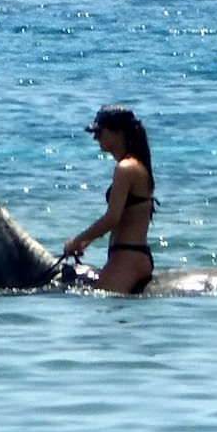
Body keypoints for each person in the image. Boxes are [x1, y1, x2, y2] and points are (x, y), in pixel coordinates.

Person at [64, 104, 157, 294]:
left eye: (100, 132)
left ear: (118, 132)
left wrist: (77, 241)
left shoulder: (126, 168)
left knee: (103, 306)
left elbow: (112, 218)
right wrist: (86, 242)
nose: (95, 137)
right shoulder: (135, 165)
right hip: (127, 254)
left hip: (128, 258)